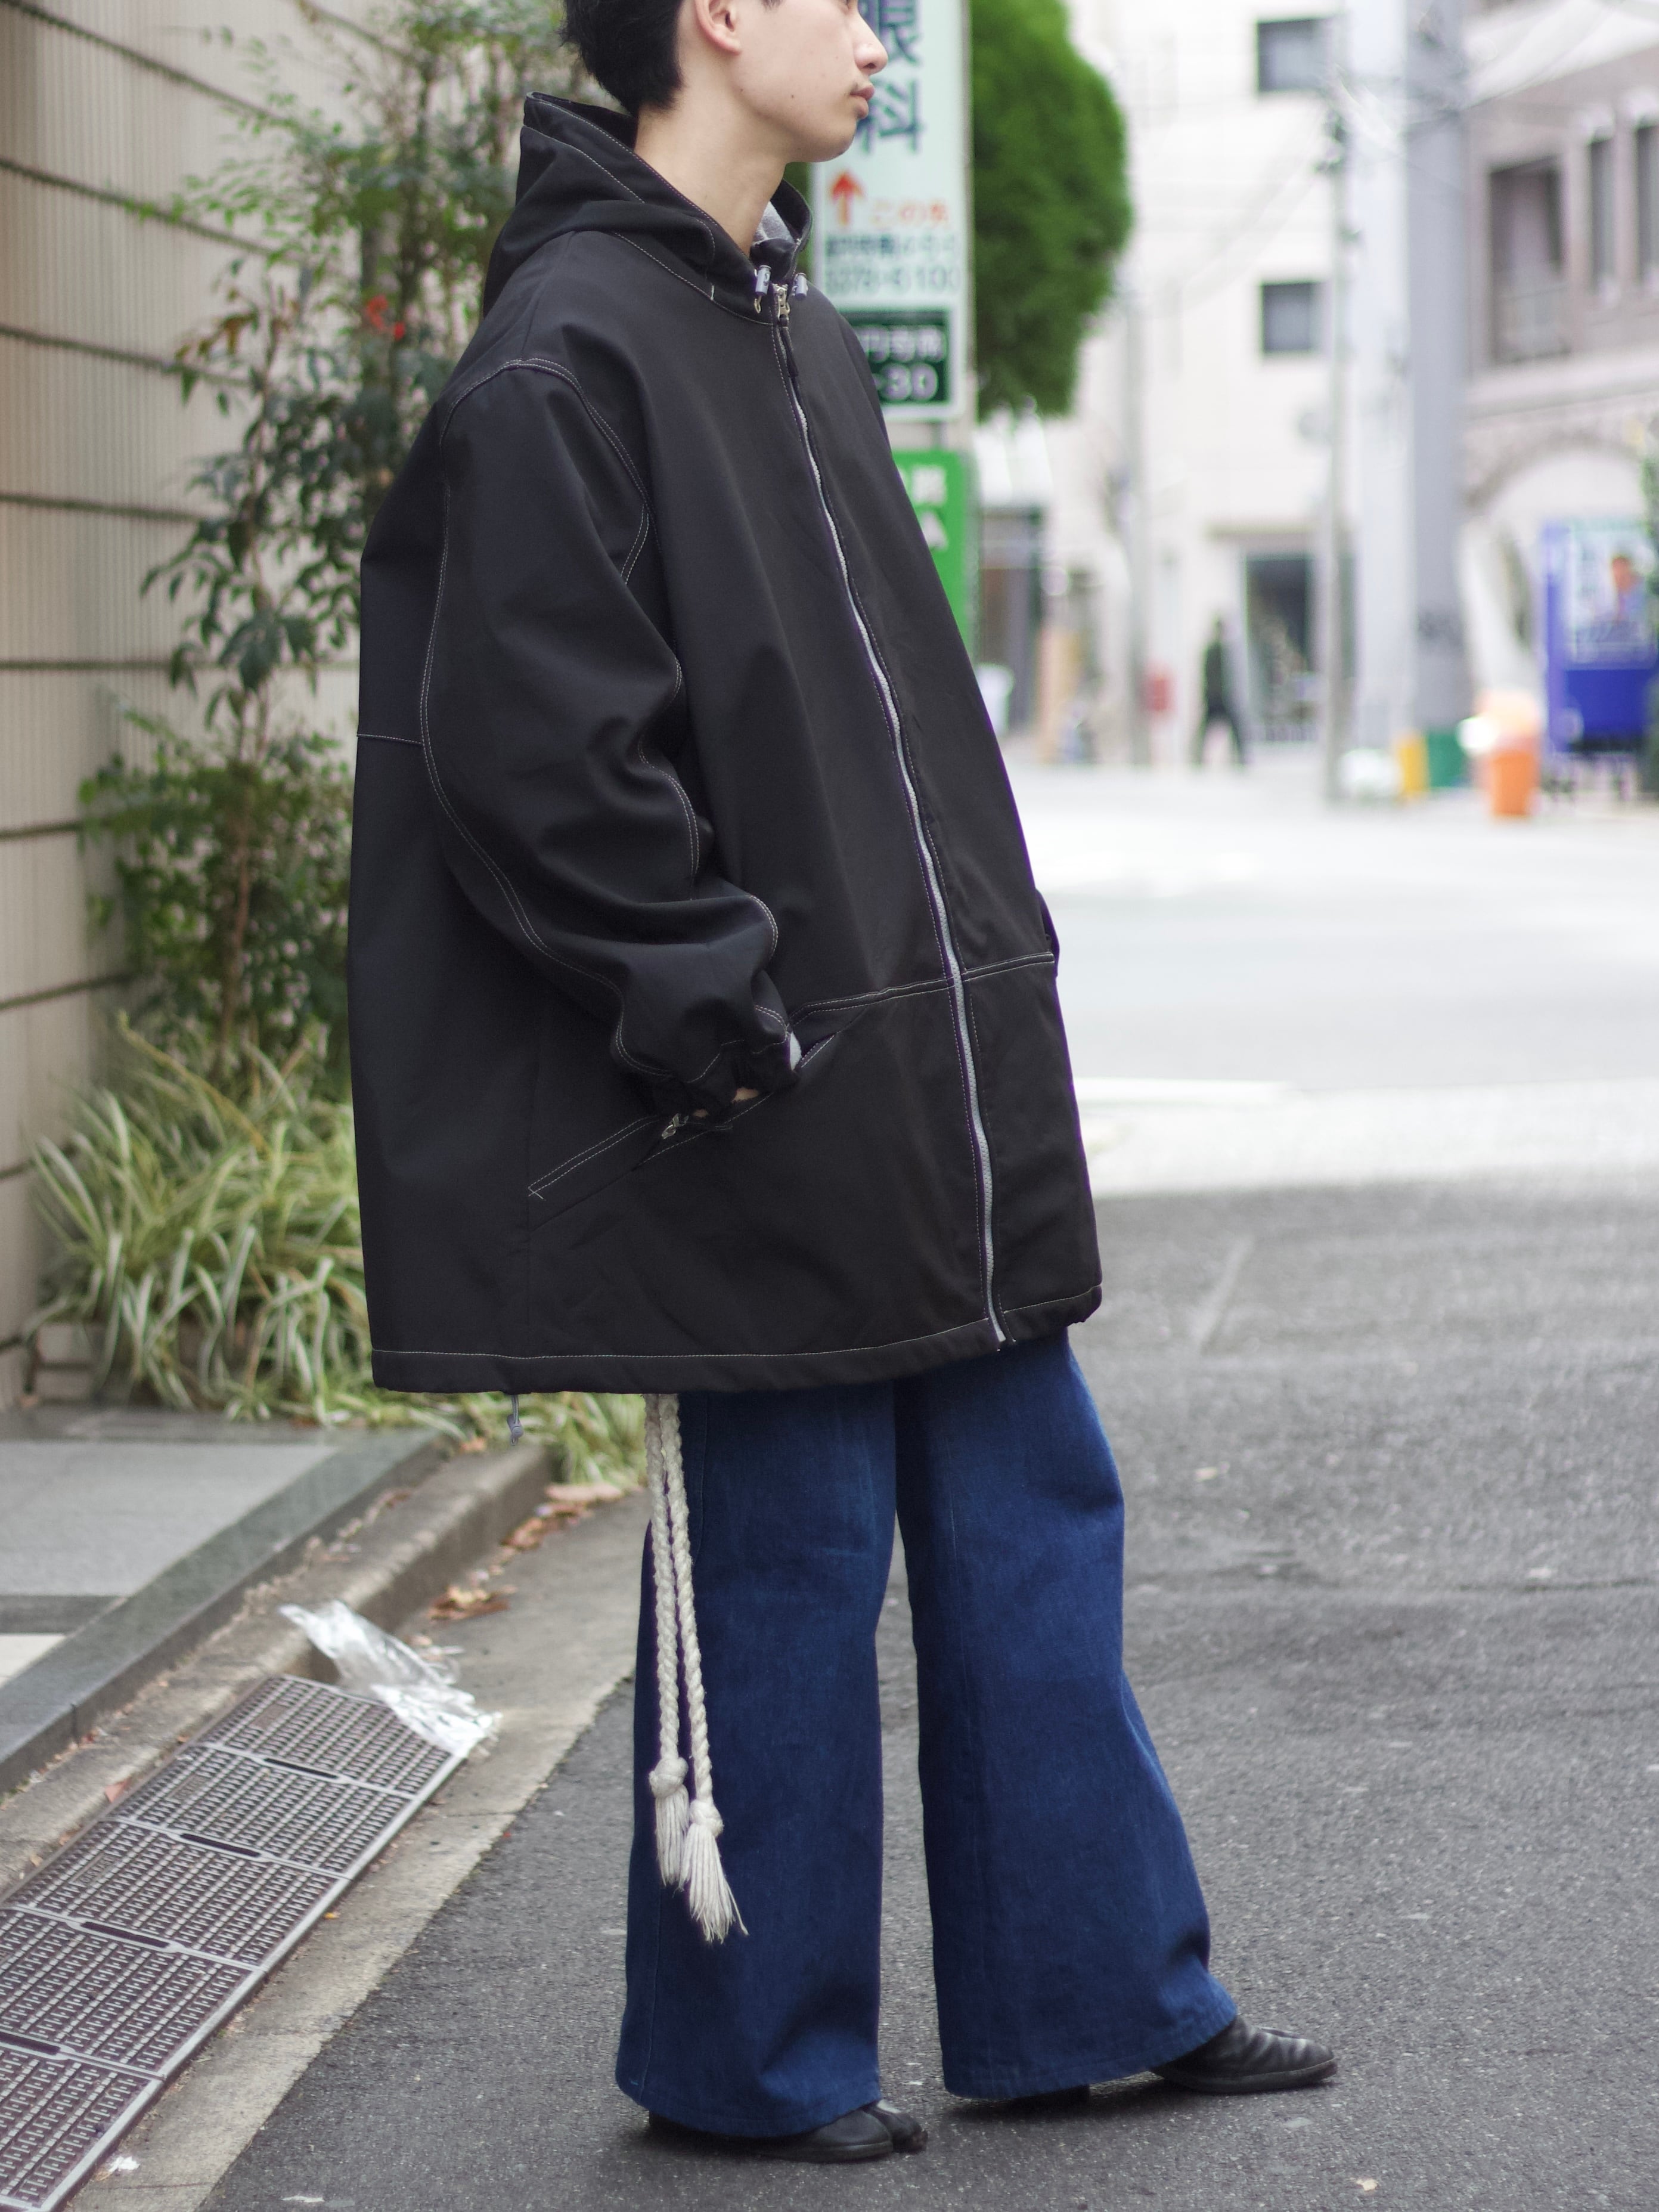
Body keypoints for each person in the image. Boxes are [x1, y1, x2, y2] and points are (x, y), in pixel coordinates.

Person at [349, 0, 1335, 2165]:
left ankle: (1093, 1994)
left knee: (1028, 1520)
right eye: (841, 0)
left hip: (926, 1074)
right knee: (782, 1561)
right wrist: (714, 1003)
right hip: (763, 1079)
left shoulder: (780, 317)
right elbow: (530, 752)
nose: (882, 36)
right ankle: (748, 2064)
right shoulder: (569, 351)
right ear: (713, 17)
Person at [1192, 616, 1247, 767]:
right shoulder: (1214, 650)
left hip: (1221, 696)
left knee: (1234, 729)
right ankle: (1197, 758)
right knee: (1208, 730)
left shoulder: (1224, 650)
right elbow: (1208, 675)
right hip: (1217, 697)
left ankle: (1240, 757)